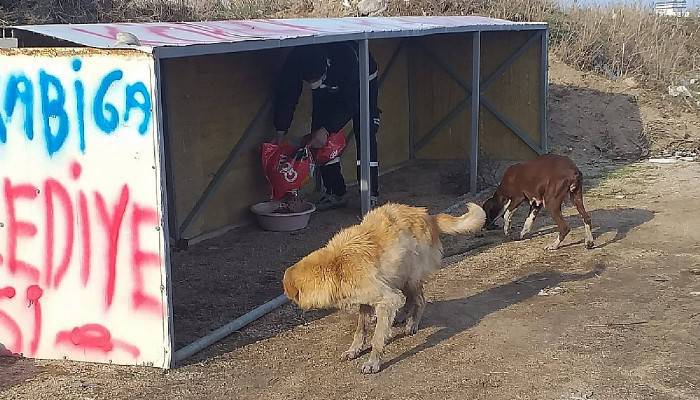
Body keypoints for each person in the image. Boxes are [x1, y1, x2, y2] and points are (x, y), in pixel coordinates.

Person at [273, 42, 380, 211]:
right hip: (329, 89)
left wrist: (328, 128)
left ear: (327, 63)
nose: (315, 84)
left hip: (361, 81)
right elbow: (287, 93)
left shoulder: (347, 58)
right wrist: (280, 131)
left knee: (365, 131)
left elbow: (353, 102)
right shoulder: (297, 59)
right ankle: (335, 192)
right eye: (311, 82)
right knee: (319, 137)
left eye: (318, 80)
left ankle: (370, 195)